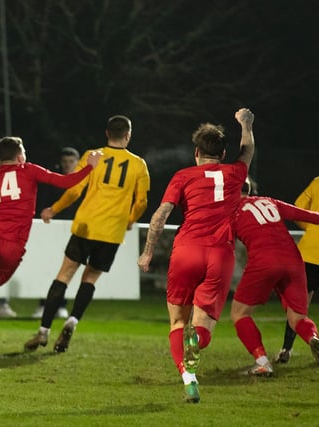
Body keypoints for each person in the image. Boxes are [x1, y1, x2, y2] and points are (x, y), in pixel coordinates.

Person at [0, 136, 103, 350]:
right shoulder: (29, 170)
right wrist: (89, 167)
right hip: (12, 248)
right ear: (20, 155)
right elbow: (65, 182)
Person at [137, 107, 255, 403]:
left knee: (177, 322)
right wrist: (246, 123)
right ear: (223, 153)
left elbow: (161, 214)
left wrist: (148, 252)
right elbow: (248, 150)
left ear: (196, 152)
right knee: (202, 328)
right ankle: (196, 341)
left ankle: (188, 378)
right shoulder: (235, 174)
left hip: (186, 251)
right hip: (220, 255)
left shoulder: (183, 176)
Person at [24, 115, 150, 354]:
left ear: (106, 133)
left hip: (86, 226)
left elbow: (74, 190)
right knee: (90, 279)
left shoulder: (93, 156)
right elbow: (142, 201)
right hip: (112, 232)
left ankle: (43, 332)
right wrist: (130, 219)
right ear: (128, 135)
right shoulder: (138, 165)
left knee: (64, 274)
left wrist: (54, 208)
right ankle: (72, 321)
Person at [231, 178, 319, 376]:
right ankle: (313, 338)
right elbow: (307, 215)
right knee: (298, 317)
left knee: (239, 313)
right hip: (294, 261)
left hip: (264, 260)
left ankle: (262, 362)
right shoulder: (270, 201)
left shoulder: (231, 211)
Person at [31, 146, 83, 319]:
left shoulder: (83, 182)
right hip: (51, 230)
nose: (68, 165)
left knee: (68, 268)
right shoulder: (53, 181)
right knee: (47, 266)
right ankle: (42, 304)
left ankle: (62, 305)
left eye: (71, 162)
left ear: (77, 163)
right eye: (65, 162)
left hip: (73, 230)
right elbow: (42, 204)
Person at [273, 177, 319, 364]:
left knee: (298, 307)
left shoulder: (318, 182)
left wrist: (311, 227)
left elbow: (299, 206)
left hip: (310, 253)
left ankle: (286, 349)